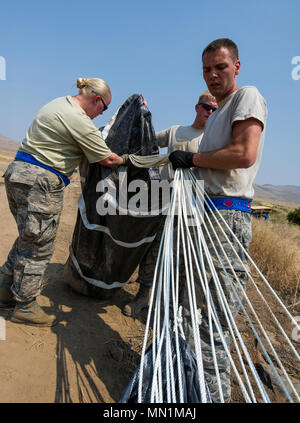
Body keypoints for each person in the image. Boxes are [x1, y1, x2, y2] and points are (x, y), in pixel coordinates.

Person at [169, 38, 268, 402]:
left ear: (237, 67)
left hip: (226, 218)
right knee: (189, 310)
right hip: (204, 215)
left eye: (220, 67)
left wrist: (192, 160)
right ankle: (183, 388)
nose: (213, 75)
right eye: (207, 70)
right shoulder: (218, 115)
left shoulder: (248, 97)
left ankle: (210, 397)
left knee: (213, 323)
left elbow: (243, 154)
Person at [0, 77, 128, 327]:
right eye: (105, 107)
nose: (102, 113)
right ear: (96, 99)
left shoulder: (58, 104)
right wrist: (128, 160)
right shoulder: (78, 119)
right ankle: (25, 305)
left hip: (19, 174)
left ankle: (4, 289)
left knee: (29, 237)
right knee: (39, 246)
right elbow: (107, 159)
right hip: (41, 182)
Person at [122, 90, 217, 318]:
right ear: (197, 107)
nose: (210, 112)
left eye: (215, 109)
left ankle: (171, 307)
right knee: (152, 247)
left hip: (190, 205)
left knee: (181, 256)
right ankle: (143, 296)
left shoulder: (212, 141)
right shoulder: (177, 131)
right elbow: (148, 138)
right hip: (162, 198)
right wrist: (142, 112)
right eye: (207, 107)